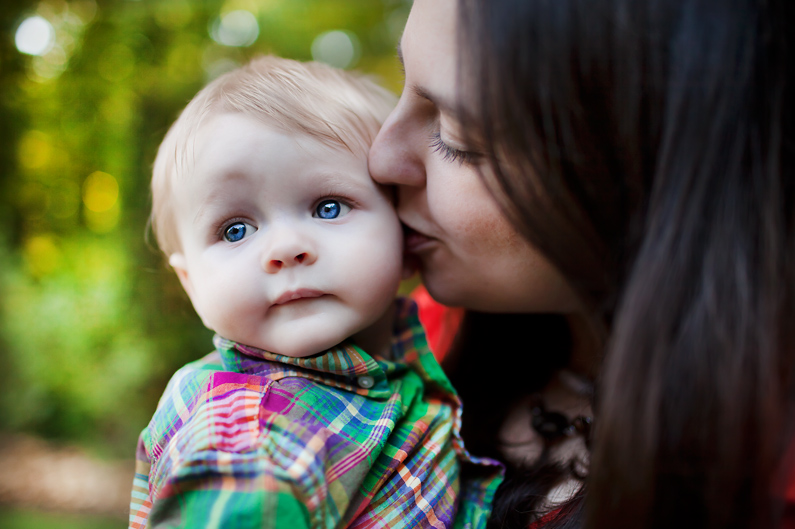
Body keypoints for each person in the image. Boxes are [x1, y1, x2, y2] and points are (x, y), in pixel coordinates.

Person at [368, 0, 795, 527]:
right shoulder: (400, 345)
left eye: (457, 135)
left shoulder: (768, 486)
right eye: (404, 83)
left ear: (649, 165)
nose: (382, 159)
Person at [128, 56, 501, 529]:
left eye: (327, 207)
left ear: (405, 234)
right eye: (236, 229)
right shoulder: (253, 429)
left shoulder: (383, 371)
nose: (284, 248)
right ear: (190, 284)